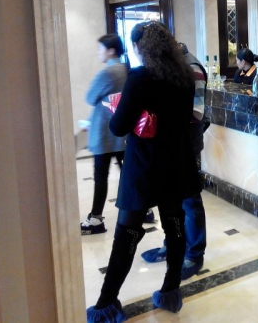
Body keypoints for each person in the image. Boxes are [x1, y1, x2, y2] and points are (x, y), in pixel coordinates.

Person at [86, 22, 198, 321]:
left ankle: (106, 304)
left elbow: (119, 126)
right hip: (177, 162)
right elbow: (184, 119)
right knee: (175, 225)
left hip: (145, 166)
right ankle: (171, 291)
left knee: (128, 232)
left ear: (139, 47)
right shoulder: (185, 76)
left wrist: (116, 109)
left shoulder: (139, 77)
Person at [140, 42, 208, 281]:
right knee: (172, 200)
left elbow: (196, 113)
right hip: (173, 143)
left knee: (190, 201)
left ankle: (195, 254)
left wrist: (167, 120)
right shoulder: (175, 66)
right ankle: (172, 244)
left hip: (187, 145)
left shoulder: (192, 68)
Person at [81, 34, 127, 235]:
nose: (98, 52)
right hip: (121, 131)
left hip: (104, 133)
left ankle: (95, 219)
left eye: (101, 49)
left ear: (111, 50)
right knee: (128, 174)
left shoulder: (107, 73)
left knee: (101, 177)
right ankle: (144, 210)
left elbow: (90, 97)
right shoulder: (127, 70)